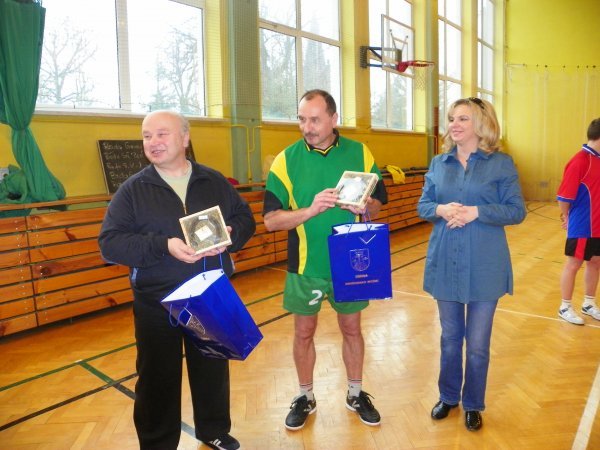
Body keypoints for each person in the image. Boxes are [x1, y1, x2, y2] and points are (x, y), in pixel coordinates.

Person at [98, 110, 256, 450]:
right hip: (157, 303)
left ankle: (214, 430)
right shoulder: (133, 190)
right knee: (157, 378)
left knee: (212, 367)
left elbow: (246, 218)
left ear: (185, 138)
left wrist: (232, 234)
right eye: (146, 136)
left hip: (210, 295)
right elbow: (109, 243)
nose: (152, 142)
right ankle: (157, 443)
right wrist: (163, 246)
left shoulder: (213, 181)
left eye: (161, 134)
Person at [263, 89, 388, 430]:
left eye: (315, 120)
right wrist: (310, 210)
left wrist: (366, 206)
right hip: (305, 267)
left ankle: (356, 393)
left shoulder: (359, 152)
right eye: (302, 119)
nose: (308, 127)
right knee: (304, 332)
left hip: (352, 262)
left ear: (334, 119)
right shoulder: (285, 161)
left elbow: (379, 204)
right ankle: (305, 396)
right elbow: (271, 220)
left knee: (352, 328)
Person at [417, 97, 526, 431]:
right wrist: (441, 209)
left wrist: (477, 212)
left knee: (477, 345)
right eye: (452, 118)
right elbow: (423, 205)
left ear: (481, 123)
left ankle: (474, 403)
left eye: (463, 118)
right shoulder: (439, 163)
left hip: (484, 265)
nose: (454, 124)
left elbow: (516, 210)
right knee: (450, 339)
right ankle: (448, 396)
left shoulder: (501, 164)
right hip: (445, 261)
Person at [556, 118, 600, 325]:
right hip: (583, 225)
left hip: (598, 226)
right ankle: (565, 306)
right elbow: (564, 197)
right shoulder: (580, 161)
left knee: (596, 262)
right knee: (574, 264)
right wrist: (566, 217)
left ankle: (589, 303)